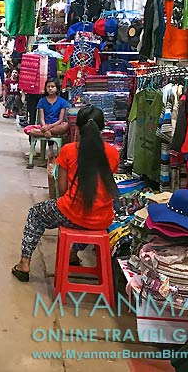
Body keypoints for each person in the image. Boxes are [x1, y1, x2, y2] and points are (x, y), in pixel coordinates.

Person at [12, 106, 119, 282]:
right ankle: (73, 254)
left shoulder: (69, 150)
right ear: (102, 128)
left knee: (35, 213)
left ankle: (24, 263)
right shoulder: (113, 153)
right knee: (83, 221)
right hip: (103, 219)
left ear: (78, 128)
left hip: (73, 213)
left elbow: (61, 190)